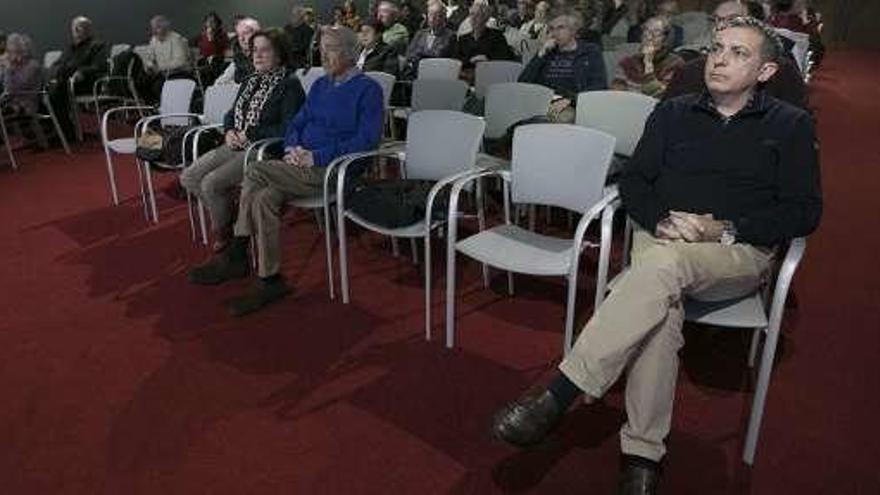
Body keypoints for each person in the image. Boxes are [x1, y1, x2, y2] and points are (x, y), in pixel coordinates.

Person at [491, 16, 821, 494]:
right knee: (660, 308)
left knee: (658, 271)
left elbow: (805, 211)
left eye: (738, 53)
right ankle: (642, 458)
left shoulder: (790, 125)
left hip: (734, 250)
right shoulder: (674, 112)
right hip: (662, 237)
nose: (720, 59)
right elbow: (635, 182)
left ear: (766, 72)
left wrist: (725, 227)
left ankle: (561, 391)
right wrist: (662, 220)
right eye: (716, 48)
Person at [186, 26, 384, 316]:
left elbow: (366, 141)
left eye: (330, 48)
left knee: (254, 171)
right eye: (321, 47)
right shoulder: (321, 85)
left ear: (351, 54)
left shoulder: (368, 90)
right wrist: (292, 148)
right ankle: (270, 278)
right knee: (264, 197)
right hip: (299, 164)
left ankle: (239, 252)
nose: (322, 53)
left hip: (333, 170)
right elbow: (296, 125)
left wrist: (315, 156)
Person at [180, 30, 305, 253]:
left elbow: (288, 130)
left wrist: (251, 134)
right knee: (189, 177)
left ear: (279, 55)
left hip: (264, 151)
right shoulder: (250, 79)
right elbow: (232, 113)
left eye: (265, 50)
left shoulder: (290, 84)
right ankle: (232, 216)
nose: (257, 55)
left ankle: (226, 233)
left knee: (210, 183)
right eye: (254, 50)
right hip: (236, 143)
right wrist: (228, 131)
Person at [663, 6, 809, 110]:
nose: (721, 27)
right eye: (716, 20)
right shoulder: (689, 71)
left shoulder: (784, 72)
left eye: (733, 20)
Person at [518, 13, 606, 122]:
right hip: (541, 102)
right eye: (552, 29)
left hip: (573, 105)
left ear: (573, 31)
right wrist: (540, 54)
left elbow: (599, 85)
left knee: (553, 119)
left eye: (560, 28)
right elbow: (522, 83)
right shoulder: (547, 53)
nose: (554, 33)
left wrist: (570, 99)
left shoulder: (590, 51)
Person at [48, 16, 109, 140]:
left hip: (87, 82)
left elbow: (99, 66)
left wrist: (82, 72)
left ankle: (66, 132)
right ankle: (58, 129)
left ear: (88, 29)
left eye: (79, 27)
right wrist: (56, 71)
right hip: (67, 82)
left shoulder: (97, 46)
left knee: (56, 91)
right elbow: (57, 64)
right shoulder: (71, 48)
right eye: (73, 27)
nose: (75, 30)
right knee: (48, 91)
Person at [611, 16, 684, 98]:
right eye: (646, 32)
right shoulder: (627, 63)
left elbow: (662, 96)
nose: (649, 38)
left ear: (666, 40)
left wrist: (648, 64)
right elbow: (615, 95)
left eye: (656, 33)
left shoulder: (675, 64)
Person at [457, 0, 517, 80]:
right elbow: (456, 60)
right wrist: (470, 60)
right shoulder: (463, 39)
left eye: (478, 15)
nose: (473, 19)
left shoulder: (497, 36)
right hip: (467, 78)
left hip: (490, 77)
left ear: (486, 18)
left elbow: (504, 58)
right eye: (471, 15)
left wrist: (487, 59)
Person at [402, 1, 458, 79]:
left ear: (443, 17)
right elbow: (409, 56)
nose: (432, 18)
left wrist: (420, 57)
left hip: (438, 76)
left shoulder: (450, 36)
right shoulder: (420, 34)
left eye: (436, 15)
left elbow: (442, 58)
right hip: (415, 75)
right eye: (430, 15)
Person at [1, 33, 42, 118]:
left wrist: (8, 70)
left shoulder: (33, 66)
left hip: (25, 105)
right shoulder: (14, 66)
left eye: (10, 51)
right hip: (11, 102)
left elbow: (11, 90)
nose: (7, 55)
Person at [215, 17, 261, 84]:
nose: (241, 39)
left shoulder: (266, 58)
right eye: (239, 35)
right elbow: (220, 81)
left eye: (245, 33)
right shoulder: (239, 57)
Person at [195, 12, 229, 86]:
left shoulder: (222, 36)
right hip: (204, 61)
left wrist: (211, 38)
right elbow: (200, 50)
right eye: (208, 21)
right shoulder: (201, 36)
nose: (210, 23)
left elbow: (220, 50)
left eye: (213, 21)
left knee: (214, 63)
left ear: (217, 24)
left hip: (218, 62)